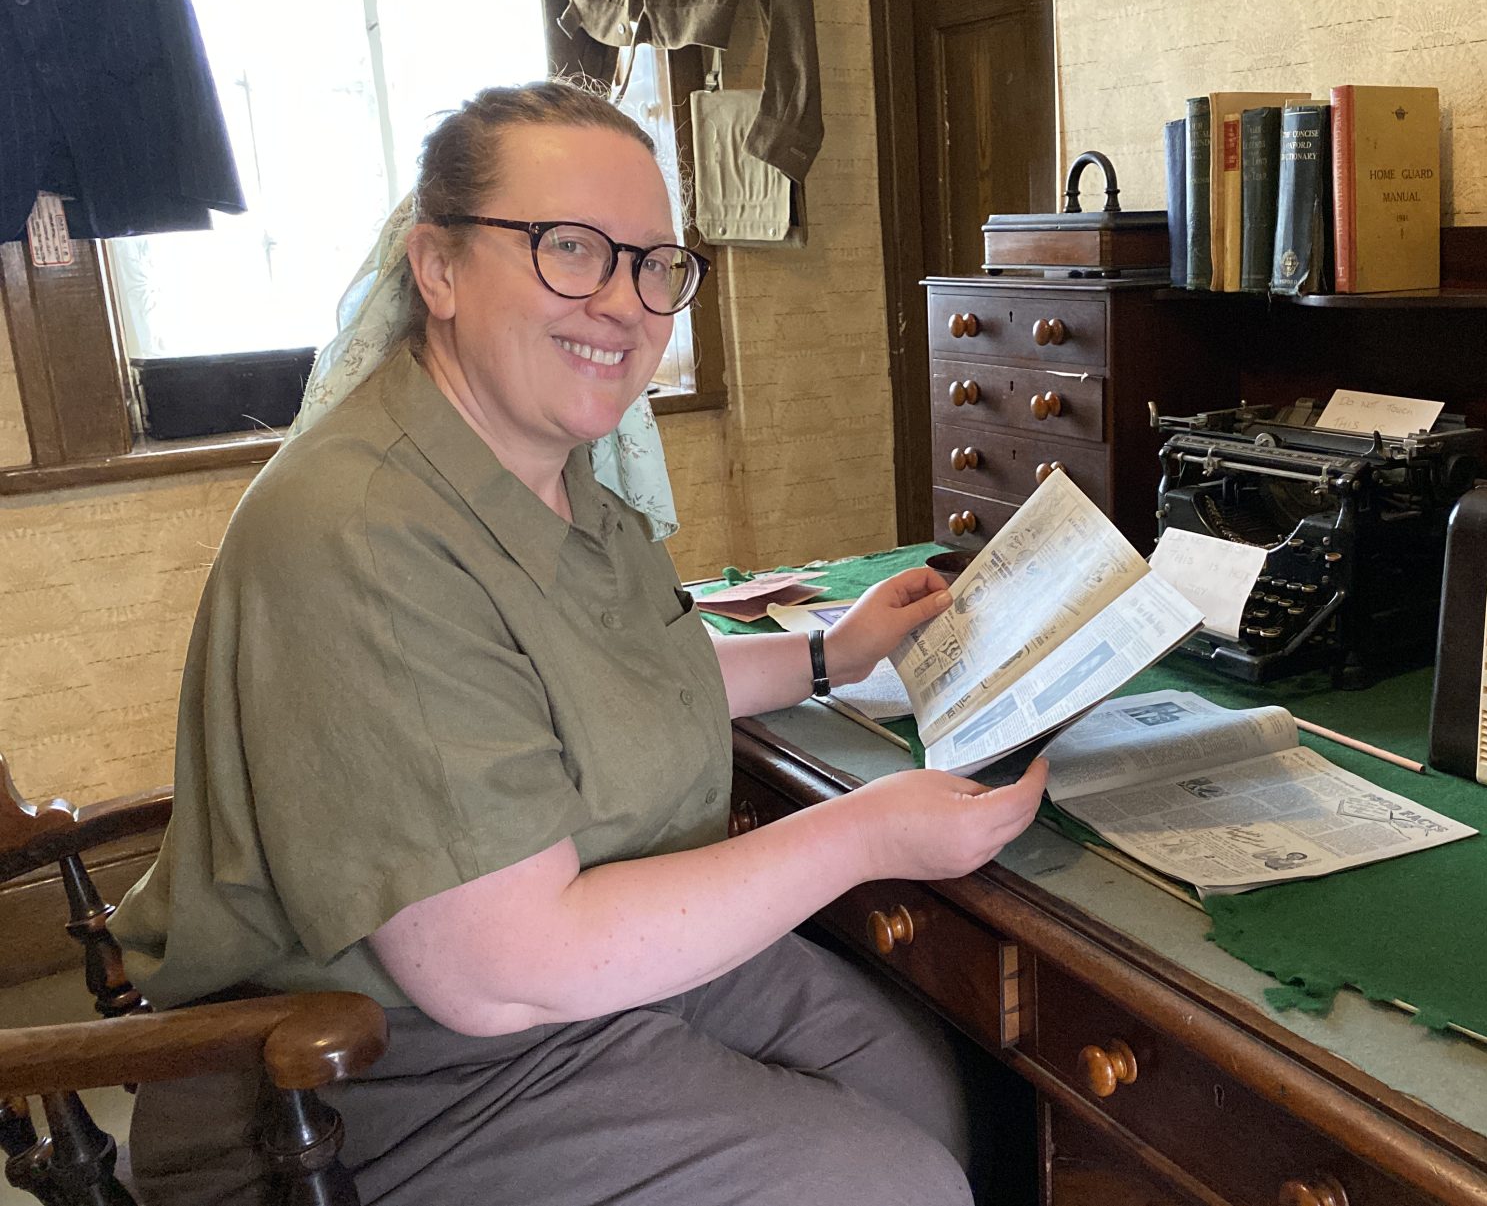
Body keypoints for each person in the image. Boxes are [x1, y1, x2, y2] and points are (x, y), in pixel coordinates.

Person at [107, 80, 1049, 1206]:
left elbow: (609, 676)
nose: (625, 302)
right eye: (569, 248)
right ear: (438, 268)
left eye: (654, 264)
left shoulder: (556, 472)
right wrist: (865, 832)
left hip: (570, 945)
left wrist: (825, 658)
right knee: (894, 1181)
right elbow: (504, 972)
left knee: (922, 1088)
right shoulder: (360, 533)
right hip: (374, 1062)